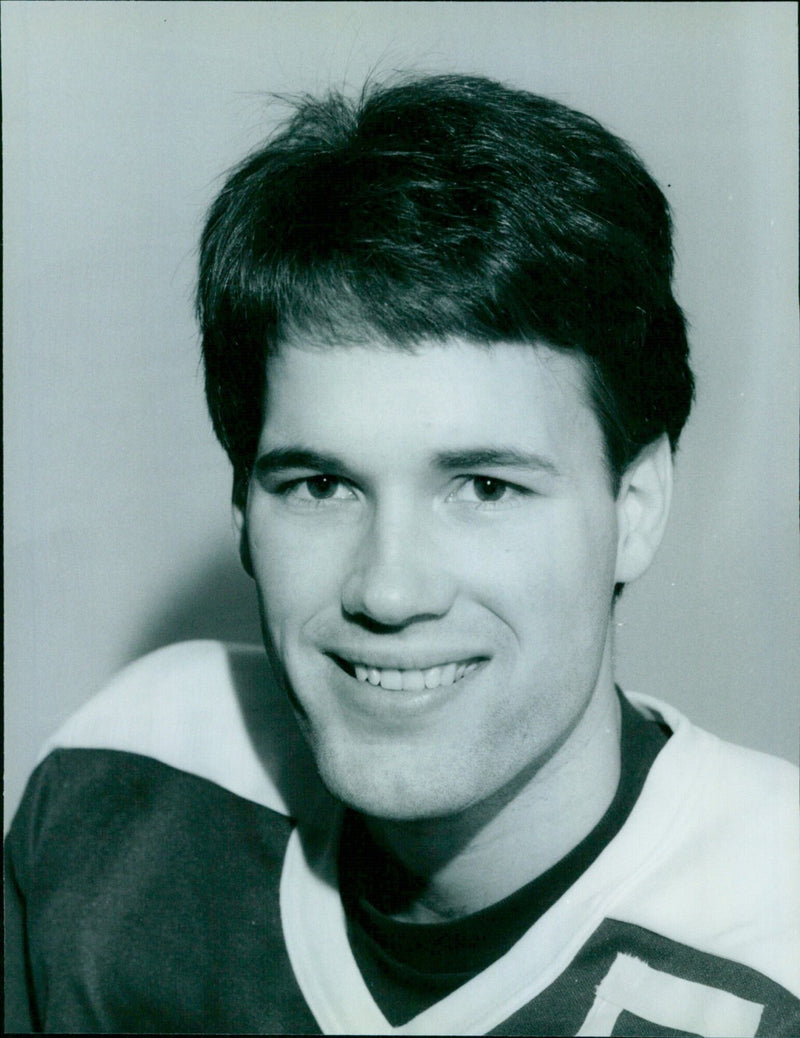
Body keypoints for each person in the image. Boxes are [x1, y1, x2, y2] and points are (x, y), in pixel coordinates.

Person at [5, 73, 798, 1035]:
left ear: (635, 503)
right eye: (320, 486)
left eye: (485, 488)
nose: (388, 588)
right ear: (241, 503)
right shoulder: (126, 784)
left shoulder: (774, 933)